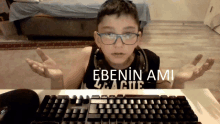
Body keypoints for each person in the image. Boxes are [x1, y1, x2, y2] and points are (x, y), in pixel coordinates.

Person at [26, 0, 214, 89]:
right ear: (98, 39)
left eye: (128, 34)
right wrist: (57, 79)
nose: (118, 44)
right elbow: (64, 98)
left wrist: (179, 82)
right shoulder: (87, 55)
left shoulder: (150, 59)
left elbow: (169, 100)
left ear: (139, 38)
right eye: (109, 34)